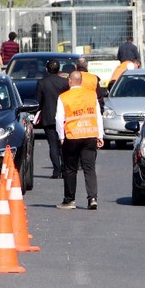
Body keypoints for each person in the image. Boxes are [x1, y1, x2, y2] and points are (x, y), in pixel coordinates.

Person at [55, 71, 103, 210]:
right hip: (90, 135)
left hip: (72, 136)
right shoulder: (91, 95)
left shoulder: (64, 97)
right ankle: (92, 198)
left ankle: (69, 200)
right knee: (89, 169)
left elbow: (59, 118)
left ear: (70, 81)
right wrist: (100, 135)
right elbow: (98, 115)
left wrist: (61, 136)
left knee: (70, 169)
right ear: (81, 81)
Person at [36, 59, 70, 179]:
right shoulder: (65, 83)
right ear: (59, 70)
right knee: (64, 144)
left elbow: (38, 102)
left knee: (53, 145)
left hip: (48, 118)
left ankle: (56, 171)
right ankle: (66, 169)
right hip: (65, 117)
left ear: (46, 70)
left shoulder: (42, 83)